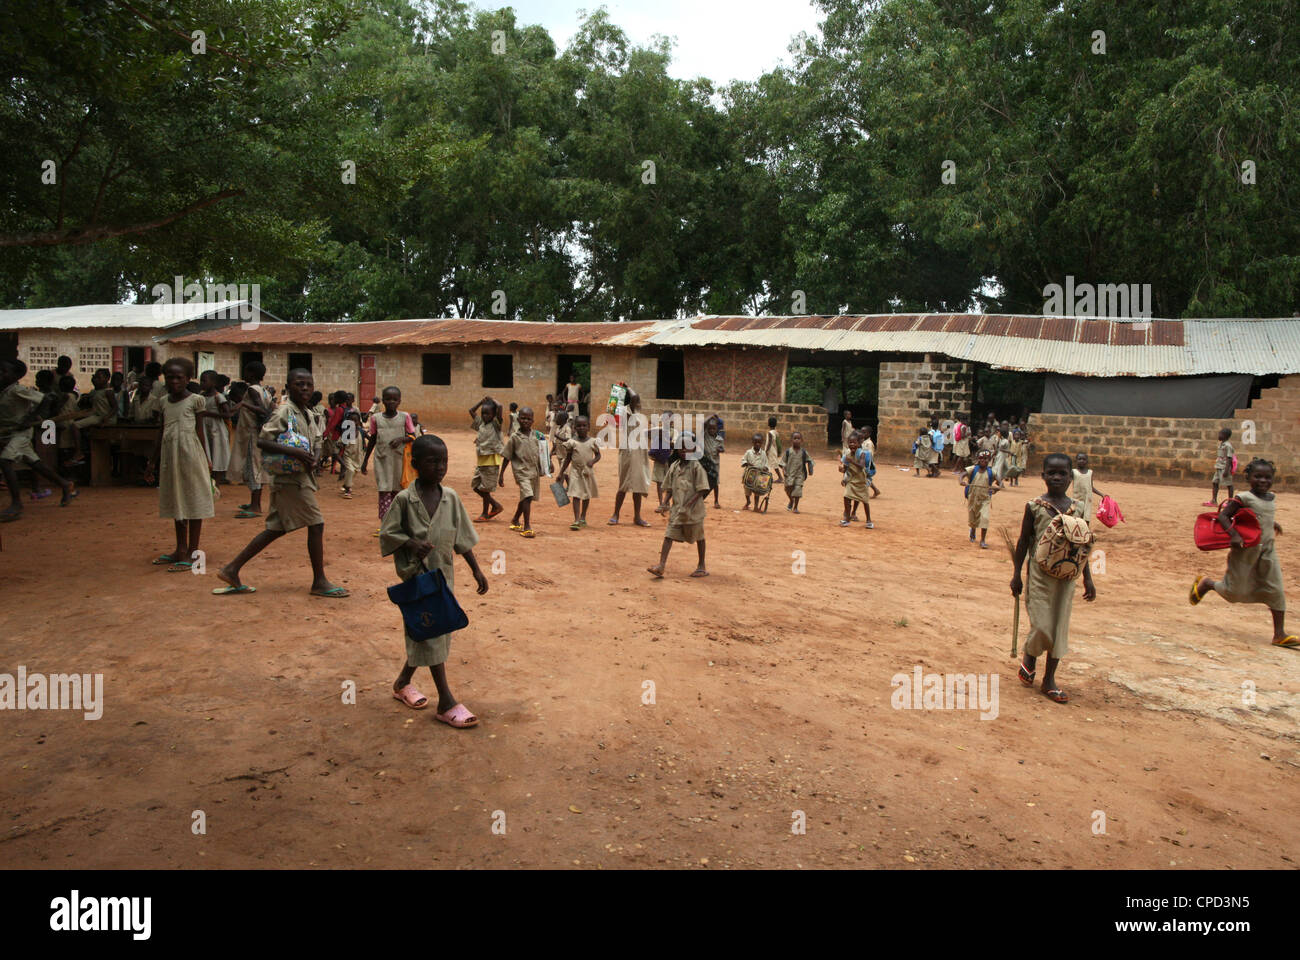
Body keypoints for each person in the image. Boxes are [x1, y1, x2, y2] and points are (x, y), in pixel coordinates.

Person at [381, 434, 489, 727]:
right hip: (416, 580)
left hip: (443, 579)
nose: (440, 467)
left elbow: (462, 538)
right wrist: (411, 544)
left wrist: (476, 570)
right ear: (415, 464)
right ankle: (446, 701)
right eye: (432, 461)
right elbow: (387, 534)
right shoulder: (404, 500)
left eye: (444, 461)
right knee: (430, 631)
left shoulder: (451, 498)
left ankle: (403, 681)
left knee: (429, 631)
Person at [216, 368, 347, 598]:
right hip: (289, 481)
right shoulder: (284, 411)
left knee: (275, 529)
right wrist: (295, 452)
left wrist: (314, 456)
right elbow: (264, 441)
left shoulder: (306, 413)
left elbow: (316, 440)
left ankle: (232, 568)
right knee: (316, 524)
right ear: (289, 387)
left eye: (308, 384)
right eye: (299, 384)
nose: (305, 388)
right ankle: (319, 581)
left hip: (298, 477)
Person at [1010, 452, 1097, 704]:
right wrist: (1016, 574)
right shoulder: (1035, 506)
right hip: (1038, 574)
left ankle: (1049, 680)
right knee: (1041, 624)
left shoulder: (1077, 509)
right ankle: (1030, 655)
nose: (1057, 478)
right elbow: (1024, 541)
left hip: (1067, 576)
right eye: (1052, 473)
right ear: (1043, 476)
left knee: (1058, 627)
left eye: (1062, 474)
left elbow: (1082, 545)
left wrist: (1087, 578)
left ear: (1070, 477)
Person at [1190, 459, 1294, 647]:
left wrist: (1272, 524)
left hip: (1267, 552)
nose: (1263, 480)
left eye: (1267, 477)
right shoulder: (1243, 498)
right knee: (1233, 592)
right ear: (1248, 478)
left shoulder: (1271, 497)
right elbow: (1223, 515)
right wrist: (1234, 535)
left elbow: (1260, 516)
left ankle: (1279, 634)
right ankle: (1208, 584)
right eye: (1258, 476)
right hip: (1245, 551)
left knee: (1276, 589)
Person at [147, 358, 214, 571]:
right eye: (170, 377)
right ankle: (180, 549)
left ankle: (193, 552)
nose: (174, 381)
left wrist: (206, 458)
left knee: (193, 500)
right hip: (170, 456)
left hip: (191, 454)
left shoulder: (196, 400)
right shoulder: (164, 401)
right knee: (177, 500)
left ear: (188, 379)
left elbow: (200, 432)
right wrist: (152, 460)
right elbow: (161, 430)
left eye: (179, 377)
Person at [0, 359, 77, 521]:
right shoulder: (4, 391)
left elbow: (45, 399)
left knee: (5, 461)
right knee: (35, 463)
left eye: (4, 372)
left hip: (21, 434)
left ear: (16, 375)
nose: (0, 374)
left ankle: (16, 504)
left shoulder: (17, 390)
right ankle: (64, 484)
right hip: (9, 432)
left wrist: (30, 418)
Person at [648, 432, 710, 579]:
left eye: (687, 447)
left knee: (699, 537)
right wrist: (664, 503)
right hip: (677, 511)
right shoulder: (675, 466)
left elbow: (703, 489)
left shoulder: (696, 467)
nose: (683, 450)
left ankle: (701, 565)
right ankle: (661, 565)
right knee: (668, 535)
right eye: (680, 448)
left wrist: (690, 504)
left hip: (693, 512)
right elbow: (669, 488)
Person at [361, 386, 415, 524]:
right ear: (383, 400)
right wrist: (365, 460)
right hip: (382, 460)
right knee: (384, 490)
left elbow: (412, 436)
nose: (391, 402)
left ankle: (398, 523)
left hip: (399, 460)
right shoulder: (376, 419)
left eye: (395, 399)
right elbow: (373, 439)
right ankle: (385, 524)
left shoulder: (405, 417)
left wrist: (401, 439)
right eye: (388, 399)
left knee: (399, 491)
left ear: (399, 401)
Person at [227, 361, 272, 518]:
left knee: (253, 469)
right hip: (255, 434)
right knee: (252, 468)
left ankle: (255, 506)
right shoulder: (264, 390)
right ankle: (253, 502)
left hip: (252, 435)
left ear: (251, 373)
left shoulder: (252, 390)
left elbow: (262, 410)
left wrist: (245, 405)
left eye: (246, 371)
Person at [609, 388, 652, 526]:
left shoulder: (639, 415)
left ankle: (637, 517)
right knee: (623, 485)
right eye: (637, 400)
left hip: (639, 452)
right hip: (628, 453)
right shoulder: (626, 412)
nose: (639, 402)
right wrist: (627, 388)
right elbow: (633, 398)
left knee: (638, 486)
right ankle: (615, 514)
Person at [498, 405, 542, 537]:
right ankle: (527, 526)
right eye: (522, 418)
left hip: (533, 472)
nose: (525, 421)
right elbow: (507, 456)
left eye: (528, 419)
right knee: (527, 496)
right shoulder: (514, 437)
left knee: (526, 497)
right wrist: (501, 475)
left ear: (533, 421)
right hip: (521, 472)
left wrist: (547, 465)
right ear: (518, 419)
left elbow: (539, 453)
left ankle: (516, 519)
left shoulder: (536, 435)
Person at [556, 414, 601, 530]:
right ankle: (576, 519)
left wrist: (593, 461)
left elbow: (598, 455)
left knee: (586, 495)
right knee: (576, 495)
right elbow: (568, 458)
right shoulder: (572, 442)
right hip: (575, 471)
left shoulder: (592, 442)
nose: (581, 428)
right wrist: (561, 473)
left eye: (584, 426)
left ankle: (583, 517)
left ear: (588, 427)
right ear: (574, 428)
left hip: (587, 472)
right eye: (579, 426)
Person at [468, 396, 505, 521]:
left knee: (485, 489)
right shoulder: (481, 424)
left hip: (491, 460)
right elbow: (471, 411)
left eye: (487, 413)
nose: (484, 416)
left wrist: (493, 400)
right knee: (475, 486)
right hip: (481, 459)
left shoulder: (496, 424)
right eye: (483, 413)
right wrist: (481, 402)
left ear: (494, 414)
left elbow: (500, 407)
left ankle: (485, 514)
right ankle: (495, 505)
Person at [961, 449, 1001, 547]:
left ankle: (982, 540)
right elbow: (962, 474)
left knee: (984, 518)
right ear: (978, 459)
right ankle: (973, 530)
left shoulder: (992, 472)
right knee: (973, 517)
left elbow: (1000, 483)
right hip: (972, 498)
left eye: (986, 459)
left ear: (989, 460)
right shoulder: (972, 469)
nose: (984, 460)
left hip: (985, 499)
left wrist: (995, 489)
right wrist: (961, 481)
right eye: (982, 459)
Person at [199, 370, 232, 481]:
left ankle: (216, 484)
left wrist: (208, 414)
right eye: (201, 381)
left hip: (216, 429)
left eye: (204, 381)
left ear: (213, 383)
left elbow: (227, 414)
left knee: (217, 454)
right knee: (206, 453)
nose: (201, 383)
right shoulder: (200, 396)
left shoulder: (219, 397)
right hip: (203, 427)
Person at [839, 431, 873, 528]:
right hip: (852, 481)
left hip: (861, 482)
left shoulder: (862, 454)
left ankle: (869, 520)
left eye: (854, 442)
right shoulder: (847, 456)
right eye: (850, 442)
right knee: (846, 497)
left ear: (859, 444)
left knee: (865, 502)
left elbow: (861, 466)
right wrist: (843, 474)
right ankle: (847, 519)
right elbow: (846, 468)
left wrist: (852, 461)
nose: (852, 444)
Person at [777, 430, 813, 512]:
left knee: (797, 489)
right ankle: (791, 500)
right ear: (791, 440)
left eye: (798, 438)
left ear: (802, 440)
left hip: (800, 475)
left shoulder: (804, 452)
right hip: (789, 474)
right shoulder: (788, 452)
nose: (797, 440)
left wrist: (810, 469)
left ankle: (796, 507)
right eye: (795, 438)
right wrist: (784, 471)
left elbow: (809, 460)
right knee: (788, 489)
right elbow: (782, 463)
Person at [1206, 428, 1235, 507]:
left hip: (1224, 468)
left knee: (1229, 484)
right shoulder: (1221, 444)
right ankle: (1214, 500)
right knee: (1215, 482)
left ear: (1226, 436)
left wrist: (1226, 470)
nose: (1219, 435)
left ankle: (1230, 502)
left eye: (1221, 434)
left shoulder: (1228, 446)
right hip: (1219, 467)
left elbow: (1229, 458)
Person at [741, 432, 769, 511]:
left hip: (759, 476)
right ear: (752, 442)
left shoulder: (763, 454)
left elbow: (766, 463)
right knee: (747, 490)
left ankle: (756, 506)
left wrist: (765, 468)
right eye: (755, 442)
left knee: (757, 491)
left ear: (762, 443)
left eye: (759, 443)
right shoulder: (748, 452)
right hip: (749, 476)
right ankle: (748, 501)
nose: (757, 444)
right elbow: (743, 460)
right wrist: (746, 463)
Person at [701, 414, 724, 509]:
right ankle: (700, 499)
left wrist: (721, 449)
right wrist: (710, 416)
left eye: (713, 429)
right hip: (705, 463)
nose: (711, 430)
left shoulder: (719, 439)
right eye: (709, 428)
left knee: (715, 483)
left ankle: (716, 501)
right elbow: (702, 424)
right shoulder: (705, 436)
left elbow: (723, 449)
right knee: (703, 481)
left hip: (715, 463)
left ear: (717, 429)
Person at [1071, 453, 1104, 517]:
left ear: (1087, 461)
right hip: (1076, 499)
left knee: (1086, 517)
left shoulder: (1090, 472)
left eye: (1084, 459)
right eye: (1079, 459)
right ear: (1076, 461)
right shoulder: (1073, 472)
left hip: (1087, 500)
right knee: (1075, 516)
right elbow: (1067, 483)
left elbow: (1091, 487)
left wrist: (1102, 494)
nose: (1082, 461)